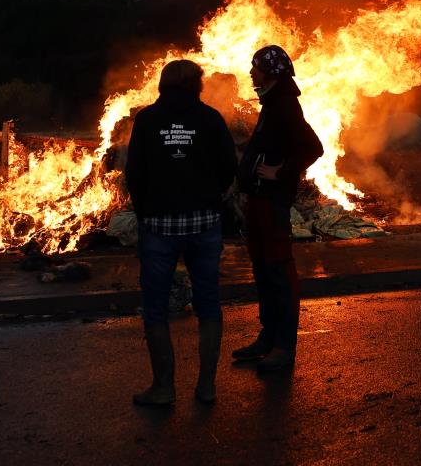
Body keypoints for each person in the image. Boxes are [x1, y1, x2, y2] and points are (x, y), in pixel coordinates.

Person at [124, 59, 237, 405]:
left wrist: (147, 212)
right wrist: (209, 200)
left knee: (156, 308)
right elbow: (228, 168)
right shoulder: (210, 119)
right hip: (203, 224)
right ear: (196, 85)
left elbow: (135, 174)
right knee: (208, 304)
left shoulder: (146, 120)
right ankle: (206, 386)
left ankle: (164, 388)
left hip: (159, 227)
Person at [232, 44, 323, 373]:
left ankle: (284, 346)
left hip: (272, 202)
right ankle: (268, 337)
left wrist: (281, 172)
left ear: (270, 71)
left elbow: (314, 148)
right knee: (262, 270)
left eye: (255, 67)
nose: (251, 72)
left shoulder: (285, 105)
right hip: (259, 201)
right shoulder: (271, 102)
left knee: (278, 273)